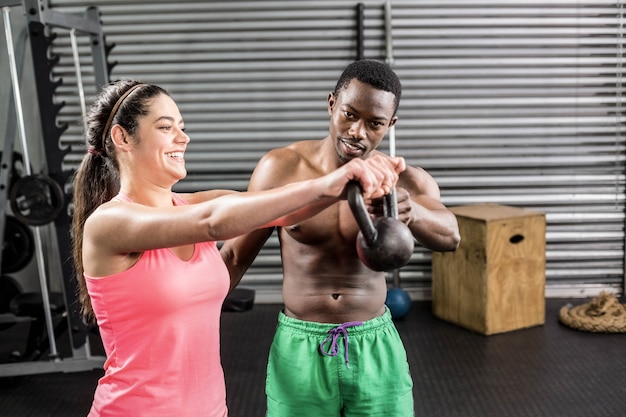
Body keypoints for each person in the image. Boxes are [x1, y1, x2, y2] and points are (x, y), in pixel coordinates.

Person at [70, 79, 405, 417]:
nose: (182, 138)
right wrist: (330, 183)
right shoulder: (109, 223)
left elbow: (281, 211)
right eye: (166, 127)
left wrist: (350, 183)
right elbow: (212, 222)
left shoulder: (192, 204)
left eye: (182, 127)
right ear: (122, 137)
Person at [221, 59, 461, 416]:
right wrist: (184, 319)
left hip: (374, 344)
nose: (357, 131)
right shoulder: (281, 169)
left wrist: (412, 212)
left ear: (390, 125)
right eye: (349, 114)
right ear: (332, 103)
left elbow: (451, 235)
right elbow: (236, 256)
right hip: (299, 346)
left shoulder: (404, 181)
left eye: (374, 123)